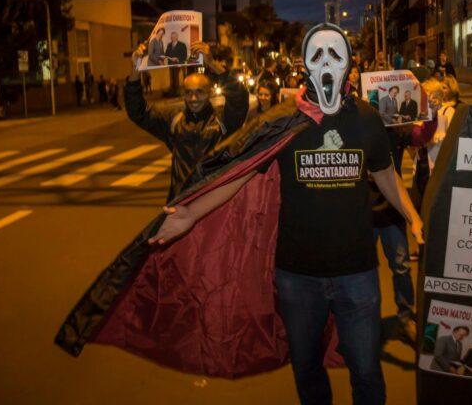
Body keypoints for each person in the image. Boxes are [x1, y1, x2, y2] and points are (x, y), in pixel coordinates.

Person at [57, 24, 425, 405]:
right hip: (299, 277)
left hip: (357, 273)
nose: (327, 63)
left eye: (336, 54)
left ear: (349, 64)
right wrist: (190, 214)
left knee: (367, 372)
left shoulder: (365, 119)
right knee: (307, 369)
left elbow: (384, 172)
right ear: (304, 64)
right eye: (318, 55)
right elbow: (241, 170)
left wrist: (412, 215)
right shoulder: (284, 119)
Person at [124, 42, 249, 200]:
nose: (193, 98)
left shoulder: (223, 119)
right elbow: (138, 112)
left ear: (210, 93)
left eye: (199, 92)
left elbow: (239, 97)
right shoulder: (173, 120)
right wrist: (136, 68)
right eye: (188, 93)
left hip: (215, 202)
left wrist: (211, 62)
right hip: (181, 201)